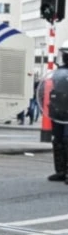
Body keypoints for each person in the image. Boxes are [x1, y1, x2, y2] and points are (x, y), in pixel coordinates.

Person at [45, 45, 68, 181]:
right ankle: (61, 171)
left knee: (67, 140)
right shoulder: (59, 72)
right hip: (58, 109)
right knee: (58, 140)